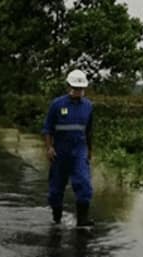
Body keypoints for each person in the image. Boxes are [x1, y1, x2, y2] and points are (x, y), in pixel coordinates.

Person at [41, 70, 94, 227]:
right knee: (56, 188)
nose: (78, 91)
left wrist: (90, 150)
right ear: (68, 86)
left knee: (84, 183)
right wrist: (49, 147)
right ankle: (56, 218)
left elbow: (89, 130)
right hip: (60, 151)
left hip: (79, 150)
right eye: (75, 88)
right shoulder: (57, 104)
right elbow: (47, 129)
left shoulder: (88, 106)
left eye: (81, 88)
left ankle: (82, 221)